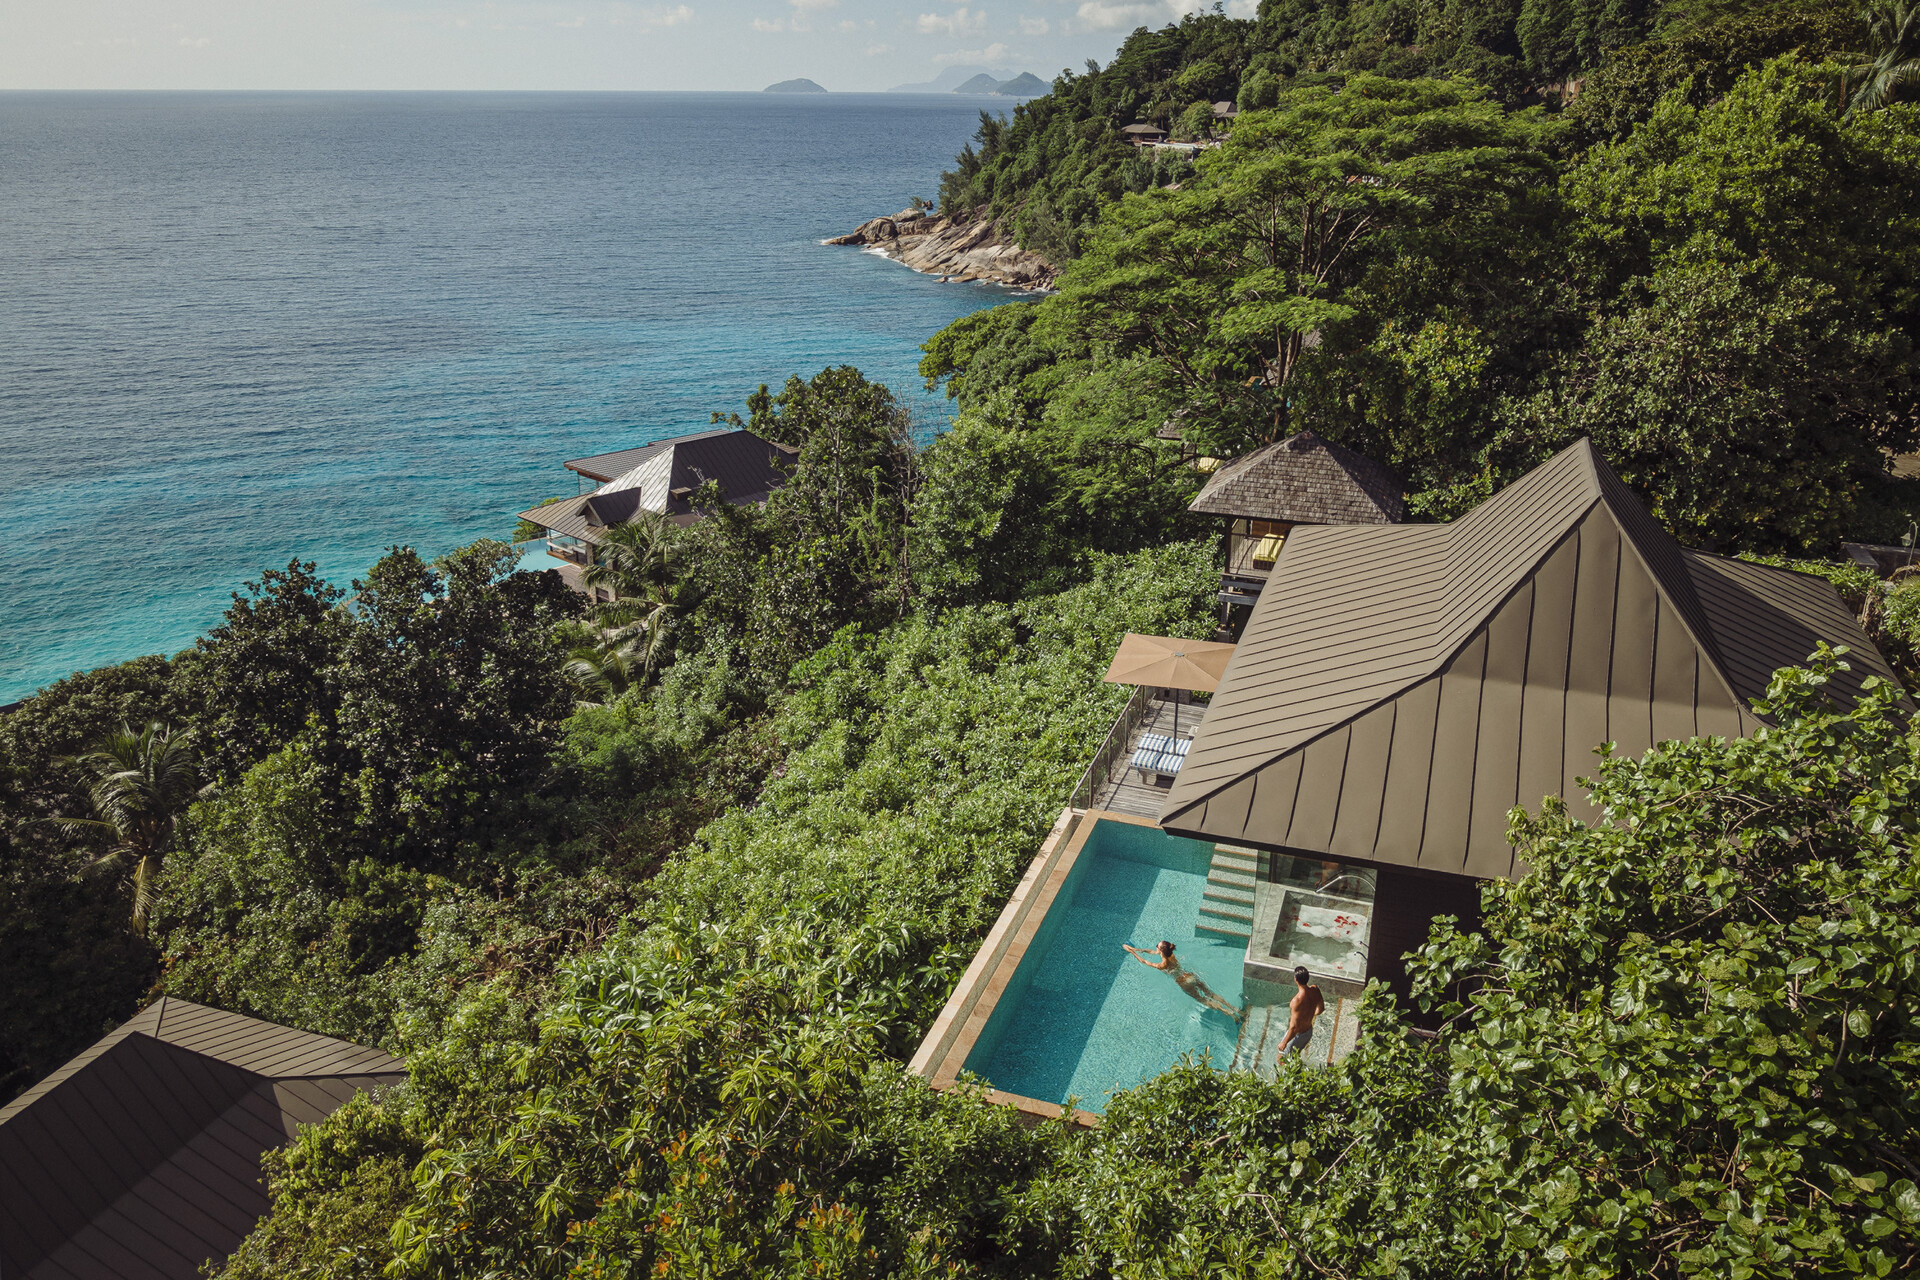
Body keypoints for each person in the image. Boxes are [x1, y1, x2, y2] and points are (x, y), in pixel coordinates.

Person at [1122, 940, 1245, 1020]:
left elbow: (1144, 961)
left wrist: (1131, 952)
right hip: (1190, 976)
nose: (1156, 948)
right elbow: (1153, 952)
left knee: (1202, 999)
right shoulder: (1171, 955)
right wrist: (1138, 949)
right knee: (1210, 993)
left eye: (1157, 947)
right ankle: (1235, 1008)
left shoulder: (1162, 965)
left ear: (1161, 951)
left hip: (1183, 983)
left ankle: (1230, 1014)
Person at [1277, 966, 1325, 1061]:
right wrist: (1310, 1014)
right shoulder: (1315, 990)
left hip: (1298, 1035)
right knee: (1294, 1057)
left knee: (1281, 1060)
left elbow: (1294, 1028)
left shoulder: (1296, 1001)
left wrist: (1284, 1042)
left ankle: (1295, 1075)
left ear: (1296, 979)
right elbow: (1321, 1009)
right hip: (1308, 1032)